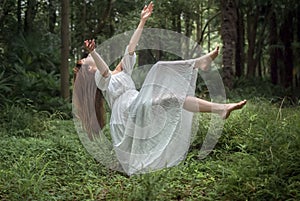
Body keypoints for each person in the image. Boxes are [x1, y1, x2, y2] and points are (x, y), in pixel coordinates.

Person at [73, 2, 247, 175]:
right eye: (86, 59)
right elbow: (104, 71)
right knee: (159, 67)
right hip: (126, 113)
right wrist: (94, 52)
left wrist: (142, 21)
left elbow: (130, 49)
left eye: (88, 55)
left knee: (176, 98)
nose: (87, 56)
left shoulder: (120, 71)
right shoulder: (101, 81)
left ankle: (221, 109)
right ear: (89, 69)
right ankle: (198, 63)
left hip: (136, 103)